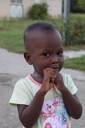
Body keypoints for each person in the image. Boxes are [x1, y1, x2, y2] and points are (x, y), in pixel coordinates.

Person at [10, 22, 82, 128]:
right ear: (29, 58)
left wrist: (63, 89)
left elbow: (77, 114)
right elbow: (27, 122)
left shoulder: (66, 80)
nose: (55, 60)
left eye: (59, 53)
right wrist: (42, 91)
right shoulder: (24, 86)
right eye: (46, 54)